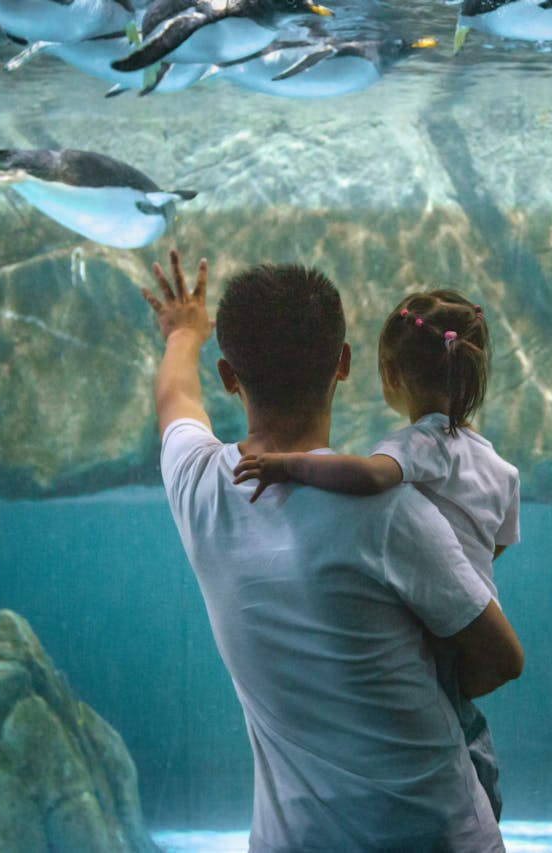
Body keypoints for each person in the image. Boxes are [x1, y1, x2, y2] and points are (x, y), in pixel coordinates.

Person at [143, 249, 524, 852]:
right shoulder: (393, 514)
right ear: (343, 363)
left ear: (230, 376)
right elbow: (503, 659)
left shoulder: (200, 490)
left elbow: (175, 403)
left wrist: (183, 332)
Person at [231, 289, 519, 819]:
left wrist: (290, 464)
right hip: (465, 621)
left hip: (430, 630)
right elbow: (497, 541)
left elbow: (369, 478)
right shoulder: (501, 468)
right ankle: (483, 809)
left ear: (391, 374)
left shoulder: (417, 445)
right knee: (466, 730)